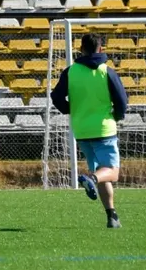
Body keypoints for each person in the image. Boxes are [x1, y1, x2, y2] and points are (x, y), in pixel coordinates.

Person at [50, 33, 129, 228]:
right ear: (100, 49)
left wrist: (70, 110)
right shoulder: (106, 71)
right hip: (104, 129)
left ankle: (112, 216)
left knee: (102, 172)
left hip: (82, 130)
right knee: (111, 172)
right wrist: (117, 116)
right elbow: (121, 101)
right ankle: (91, 178)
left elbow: (56, 96)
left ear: (81, 49)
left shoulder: (70, 72)